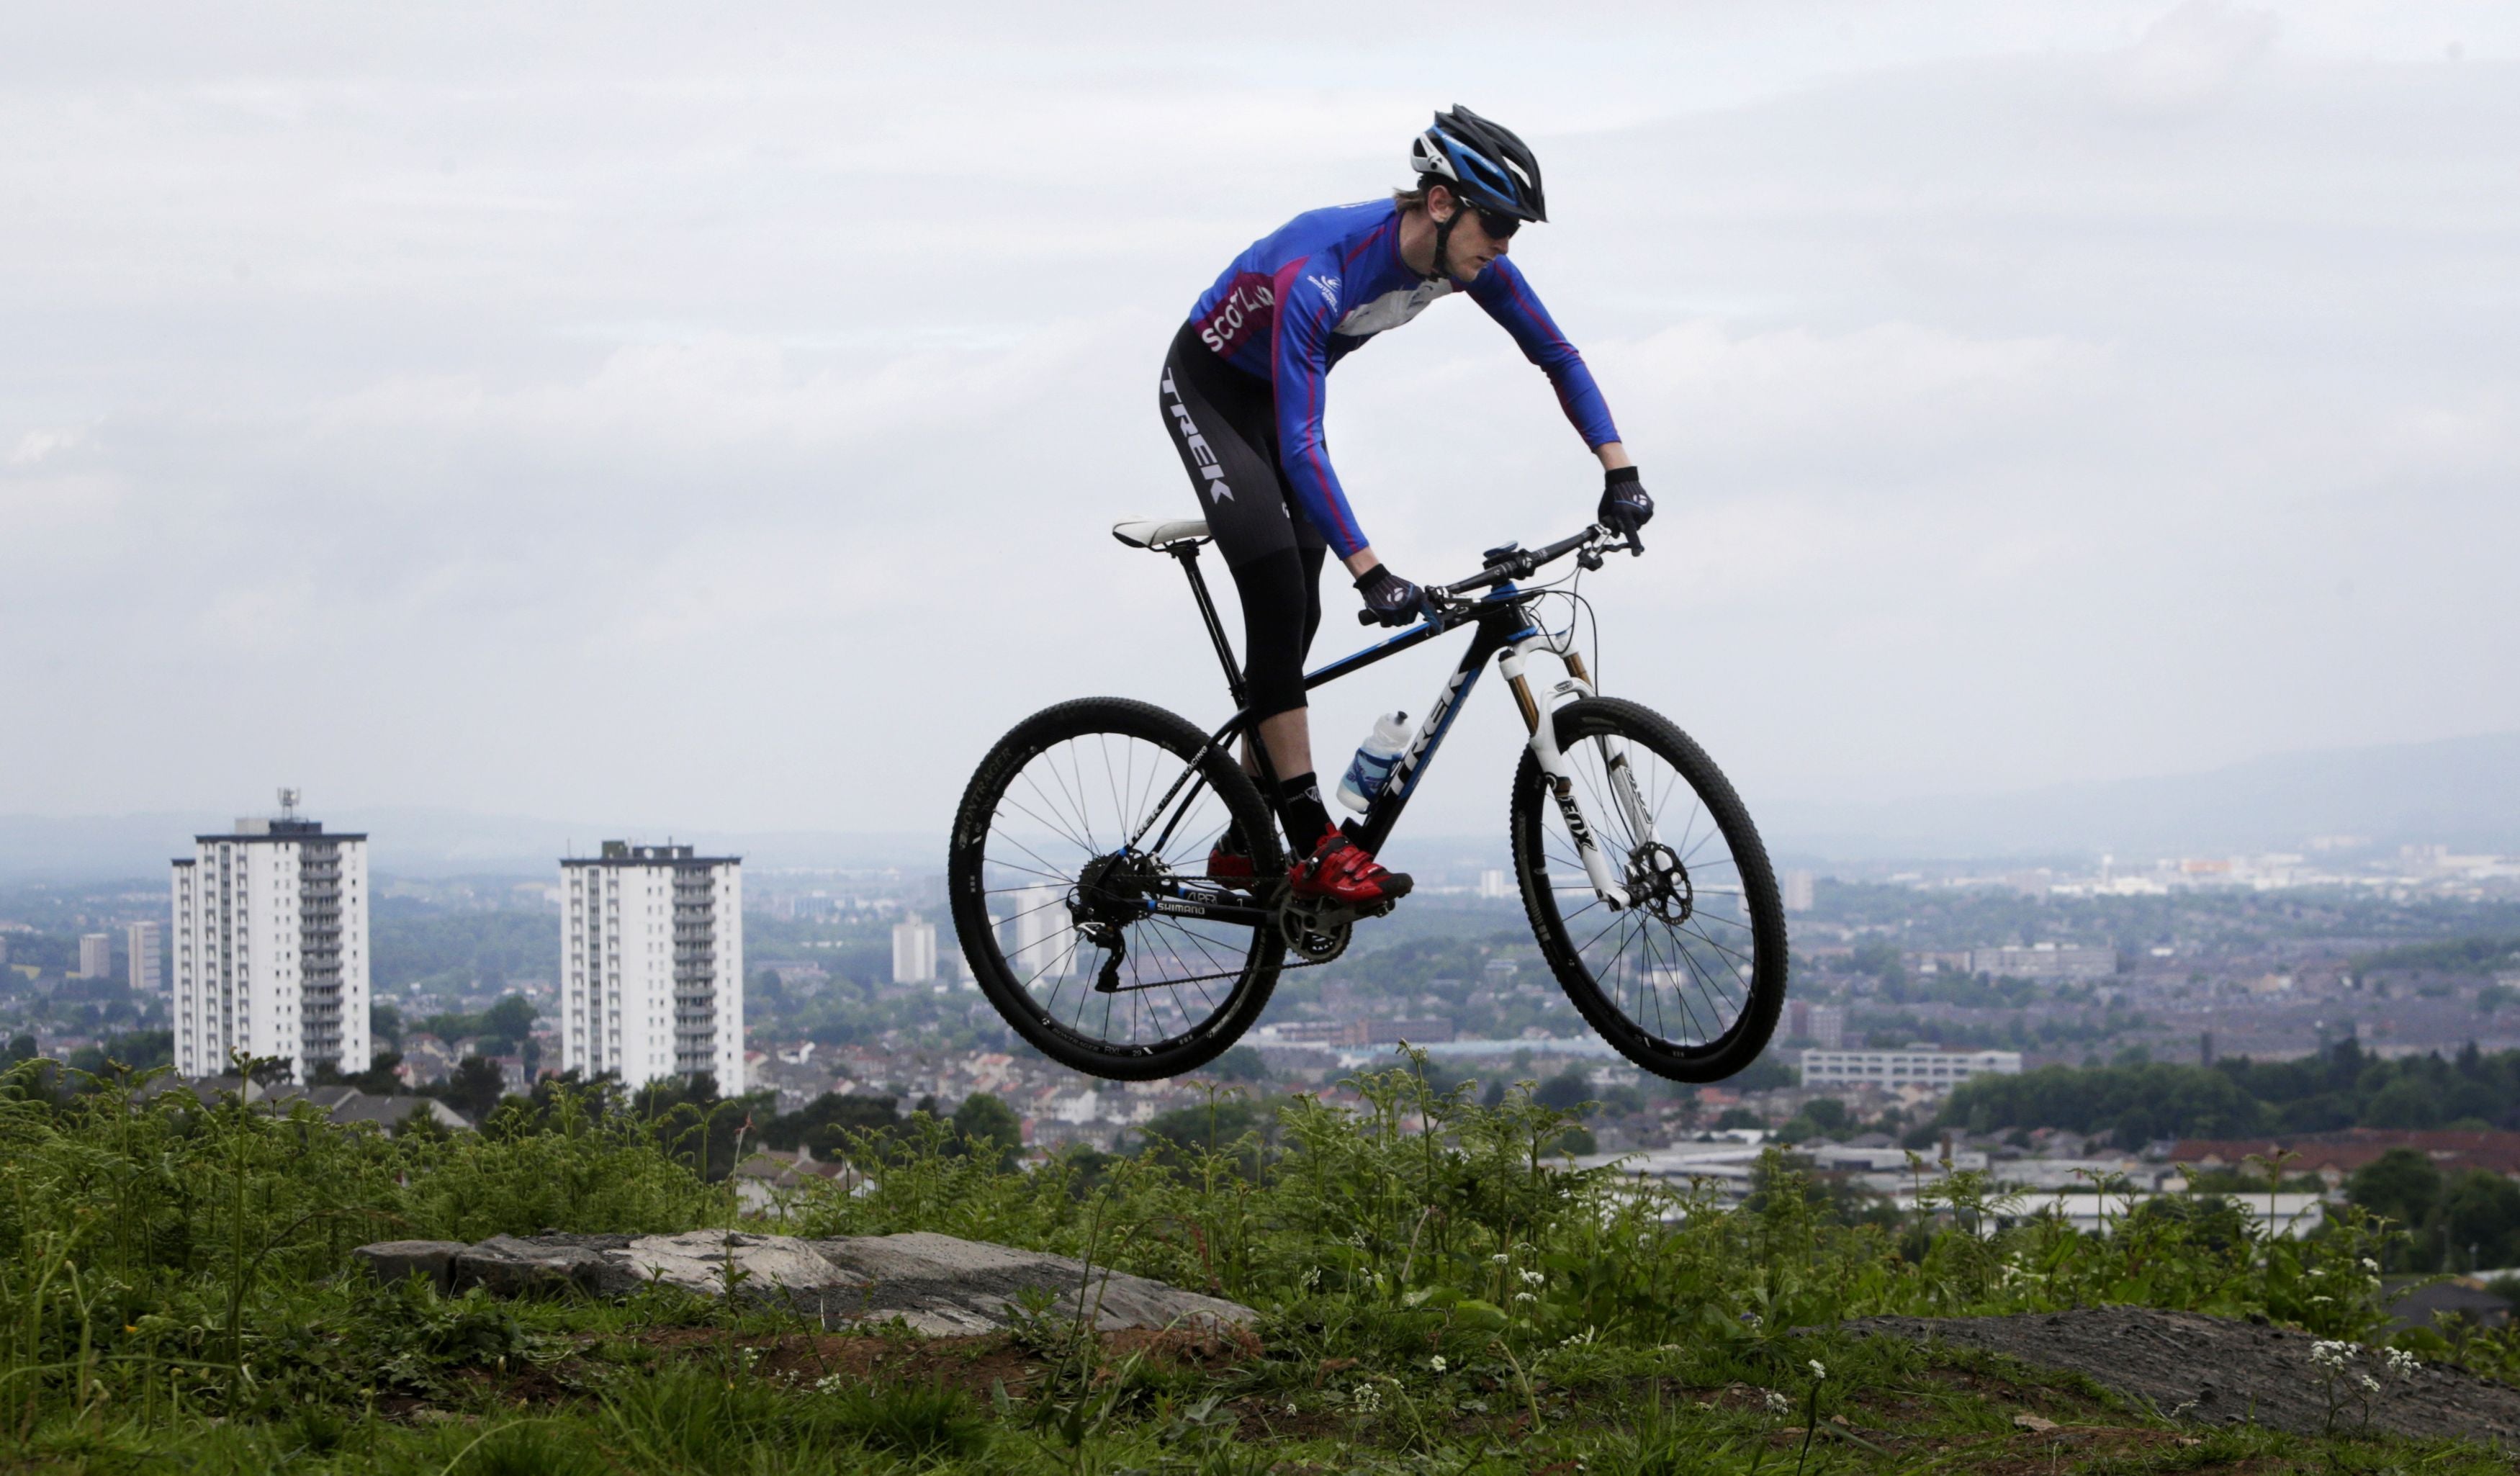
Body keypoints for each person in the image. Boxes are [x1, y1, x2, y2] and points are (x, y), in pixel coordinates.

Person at [1158, 105, 1653, 907]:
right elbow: (1300, 442)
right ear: (1439, 203)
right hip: (1213, 394)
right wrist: (1373, 571)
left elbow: (1555, 354)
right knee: (1281, 591)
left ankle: (1243, 841)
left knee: (1294, 625)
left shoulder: (1467, 264)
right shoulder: (1320, 268)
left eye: (1514, 232)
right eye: (1496, 223)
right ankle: (1314, 837)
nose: (1502, 245)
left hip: (1277, 412)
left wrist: (1618, 470)